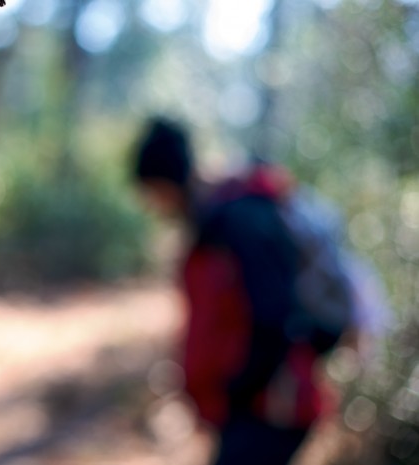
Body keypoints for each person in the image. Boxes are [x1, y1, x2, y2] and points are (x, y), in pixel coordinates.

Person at [132, 116, 366, 465]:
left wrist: (235, 391)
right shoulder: (214, 223)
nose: (154, 206)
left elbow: (272, 315)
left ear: (164, 183)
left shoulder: (240, 219)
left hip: (273, 407)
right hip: (255, 408)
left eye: (152, 193)